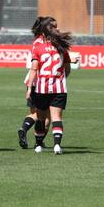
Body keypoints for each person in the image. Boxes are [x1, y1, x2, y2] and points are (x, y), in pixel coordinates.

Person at [25, 17, 72, 154]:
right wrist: (62, 78)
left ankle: (38, 145)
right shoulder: (62, 46)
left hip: (41, 88)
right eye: (55, 27)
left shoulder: (38, 46)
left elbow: (34, 69)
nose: (58, 29)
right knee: (56, 117)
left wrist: (29, 89)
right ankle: (57, 145)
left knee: (40, 117)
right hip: (59, 88)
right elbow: (67, 68)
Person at [18, 16, 46, 149]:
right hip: (42, 82)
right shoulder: (45, 43)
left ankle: (25, 129)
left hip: (31, 81)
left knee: (34, 113)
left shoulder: (35, 42)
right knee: (44, 116)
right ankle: (38, 142)